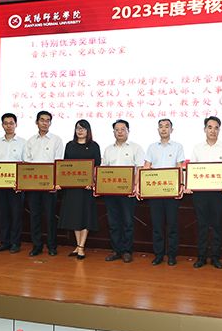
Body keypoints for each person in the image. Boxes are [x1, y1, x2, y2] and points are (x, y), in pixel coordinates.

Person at [188, 116, 222, 269]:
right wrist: (190, 184)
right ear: (205, 129)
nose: (213, 130)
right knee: (202, 225)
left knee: (216, 225)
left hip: (218, 193)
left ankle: (215, 257)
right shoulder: (197, 148)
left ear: (219, 130)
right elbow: (192, 170)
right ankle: (201, 257)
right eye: (210, 127)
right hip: (200, 194)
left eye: (216, 128)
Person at [101, 119, 145, 263]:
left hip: (128, 192)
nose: (120, 132)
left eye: (123, 129)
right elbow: (103, 169)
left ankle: (127, 251)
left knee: (127, 222)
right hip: (111, 192)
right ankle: (116, 250)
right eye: (117, 130)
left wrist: (135, 185)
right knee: (113, 223)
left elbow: (139, 169)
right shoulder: (108, 149)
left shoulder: (136, 148)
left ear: (128, 131)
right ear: (113, 132)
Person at [143, 118, 185, 266]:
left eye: (167, 126)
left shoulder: (178, 147)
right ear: (158, 130)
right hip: (155, 192)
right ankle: (158, 254)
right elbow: (146, 167)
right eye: (161, 126)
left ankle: (172, 255)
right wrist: (142, 186)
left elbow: (180, 167)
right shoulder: (151, 147)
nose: (164, 129)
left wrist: (181, 184)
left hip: (171, 192)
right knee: (157, 225)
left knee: (172, 225)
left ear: (171, 130)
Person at [57, 119, 101, 260]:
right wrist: (62, 181)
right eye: (78, 128)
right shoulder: (70, 145)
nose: (80, 131)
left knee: (85, 215)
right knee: (75, 216)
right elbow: (65, 166)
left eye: (83, 128)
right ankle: (78, 244)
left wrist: (92, 181)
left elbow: (97, 166)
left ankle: (81, 246)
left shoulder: (94, 146)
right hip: (72, 188)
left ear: (88, 131)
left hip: (86, 188)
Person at [25, 110, 65, 257]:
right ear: (37, 122)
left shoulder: (56, 140)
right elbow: (27, 162)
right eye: (42, 120)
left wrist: (55, 183)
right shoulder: (30, 141)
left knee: (50, 217)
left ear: (50, 123)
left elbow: (58, 162)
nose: (45, 123)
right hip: (33, 185)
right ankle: (36, 246)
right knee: (34, 216)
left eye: (47, 120)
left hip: (50, 186)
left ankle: (52, 246)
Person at [0, 113, 26, 253]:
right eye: (6, 123)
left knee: (16, 214)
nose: (9, 126)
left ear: (16, 124)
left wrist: (21, 183)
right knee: (3, 214)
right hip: (0, 185)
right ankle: (4, 242)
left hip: (16, 186)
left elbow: (25, 164)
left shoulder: (23, 143)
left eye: (11, 123)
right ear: (2, 125)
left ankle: (15, 243)